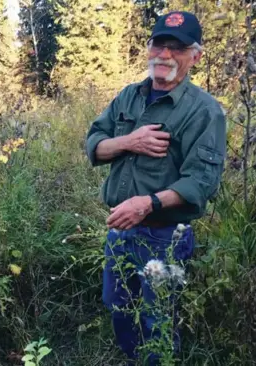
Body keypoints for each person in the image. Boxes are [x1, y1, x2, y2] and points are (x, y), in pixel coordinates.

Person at [85, 11, 226, 365]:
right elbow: (95, 144)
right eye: (158, 44)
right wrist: (129, 140)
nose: (164, 54)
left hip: (165, 237)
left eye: (176, 48)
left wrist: (147, 204)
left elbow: (201, 182)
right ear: (148, 48)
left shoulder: (205, 112)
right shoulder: (128, 97)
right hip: (120, 230)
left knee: (158, 319)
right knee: (118, 308)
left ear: (195, 56)